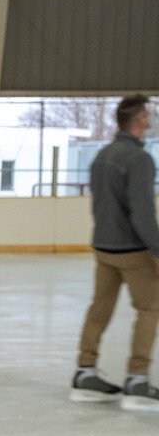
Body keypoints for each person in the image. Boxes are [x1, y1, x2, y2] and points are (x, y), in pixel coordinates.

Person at [71, 94, 159, 411]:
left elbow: (99, 204)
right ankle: (137, 379)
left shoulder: (103, 156)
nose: (150, 121)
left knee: (101, 308)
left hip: (104, 247)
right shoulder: (140, 160)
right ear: (138, 121)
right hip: (133, 251)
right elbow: (143, 214)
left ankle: (85, 371)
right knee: (150, 309)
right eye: (148, 116)